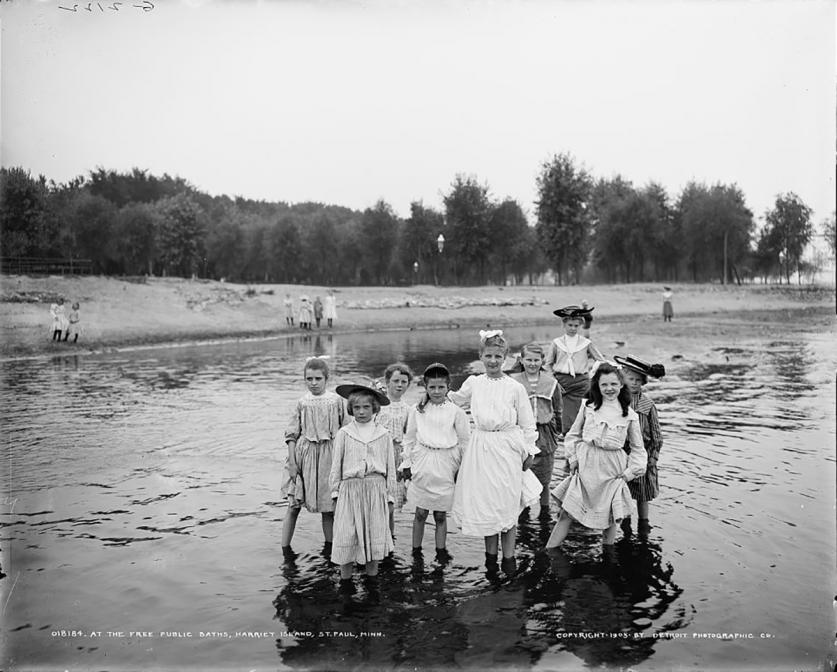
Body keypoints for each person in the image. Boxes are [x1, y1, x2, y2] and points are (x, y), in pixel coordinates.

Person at [449, 330, 539, 575]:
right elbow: (452, 401)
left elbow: (528, 423)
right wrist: (428, 398)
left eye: (498, 356)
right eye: (488, 355)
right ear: (480, 356)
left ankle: (509, 561)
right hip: (482, 447)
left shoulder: (514, 387)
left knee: (508, 502)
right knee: (487, 503)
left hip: (508, 447)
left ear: (506, 358)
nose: (492, 361)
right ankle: (491, 561)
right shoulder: (474, 383)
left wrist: (529, 450)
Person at [545, 362, 647, 548]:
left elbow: (638, 449)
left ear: (621, 385)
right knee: (567, 512)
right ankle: (549, 552)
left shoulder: (629, 415)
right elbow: (573, 435)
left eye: (613, 384)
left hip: (613, 470)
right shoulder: (588, 406)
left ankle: (608, 558)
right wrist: (573, 459)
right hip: (586, 464)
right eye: (604, 385)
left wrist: (629, 473)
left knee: (609, 519)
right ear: (597, 386)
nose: (609, 389)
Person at [400, 363, 470, 563]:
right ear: (425, 387)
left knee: (440, 515)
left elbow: (465, 441)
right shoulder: (418, 409)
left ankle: (441, 551)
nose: (436, 391)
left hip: (447, 463)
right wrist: (407, 462)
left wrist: (461, 468)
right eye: (432, 387)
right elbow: (409, 438)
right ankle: (416, 552)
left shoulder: (457, 412)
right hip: (423, 461)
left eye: (441, 387)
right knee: (420, 512)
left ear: (449, 386)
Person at [330, 383, 396, 592]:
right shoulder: (344, 433)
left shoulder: (383, 434)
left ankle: (372, 582)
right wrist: (335, 493)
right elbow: (336, 465)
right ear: (351, 409)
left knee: (374, 534)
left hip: (376, 490)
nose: (361, 412)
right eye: (357, 408)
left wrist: (390, 496)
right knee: (347, 534)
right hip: (350, 490)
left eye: (366, 407)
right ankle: (346, 584)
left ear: (374, 408)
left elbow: (390, 468)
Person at [281, 357, 346, 559]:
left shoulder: (336, 401)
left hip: (329, 457)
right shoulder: (302, 402)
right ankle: (285, 550)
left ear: (326, 379)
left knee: (329, 509)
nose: (314, 383)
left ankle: (330, 551)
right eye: (309, 378)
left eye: (318, 378)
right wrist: (292, 463)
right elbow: (291, 435)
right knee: (293, 505)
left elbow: (345, 431)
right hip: (304, 457)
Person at [508, 342, 564, 521]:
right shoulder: (513, 382)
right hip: (520, 433)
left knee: (544, 478)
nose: (532, 363)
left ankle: (544, 514)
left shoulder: (551, 382)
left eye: (536, 360)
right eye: (528, 359)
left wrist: (558, 430)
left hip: (544, 433)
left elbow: (558, 409)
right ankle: (523, 512)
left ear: (542, 361)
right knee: (520, 474)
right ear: (521, 360)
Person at [613, 355, 665, 536]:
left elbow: (657, 435)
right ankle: (625, 527)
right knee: (623, 492)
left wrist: (652, 458)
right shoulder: (616, 400)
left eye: (638, 380)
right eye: (631, 379)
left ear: (643, 382)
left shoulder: (648, 404)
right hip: (621, 456)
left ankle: (644, 526)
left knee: (643, 494)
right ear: (623, 379)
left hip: (643, 455)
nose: (634, 383)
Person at [545, 305, 606, 435]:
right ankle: (560, 439)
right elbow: (548, 364)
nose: (573, 328)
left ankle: (577, 438)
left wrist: (591, 375)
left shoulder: (586, 343)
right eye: (570, 325)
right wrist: (553, 380)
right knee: (559, 413)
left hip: (580, 383)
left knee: (579, 414)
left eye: (576, 326)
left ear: (580, 326)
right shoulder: (556, 343)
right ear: (564, 325)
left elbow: (600, 360)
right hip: (560, 382)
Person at [375, 362, 414, 537]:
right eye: (396, 381)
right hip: (379, 455)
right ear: (387, 381)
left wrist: (407, 464)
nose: (399, 385)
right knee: (377, 500)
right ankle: (375, 537)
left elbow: (410, 437)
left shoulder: (409, 409)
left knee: (391, 503)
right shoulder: (378, 406)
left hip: (398, 458)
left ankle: (389, 540)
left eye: (403, 382)